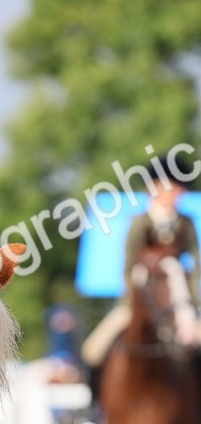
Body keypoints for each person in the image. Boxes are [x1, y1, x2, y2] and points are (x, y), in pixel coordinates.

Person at [81, 153, 201, 372]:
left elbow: (195, 265)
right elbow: (129, 264)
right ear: (156, 187)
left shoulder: (186, 223)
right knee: (93, 350)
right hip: (139, 298)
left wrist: (192, 304)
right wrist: (133, 300)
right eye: (175, 188)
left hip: (177, 300)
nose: (180, 193)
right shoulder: (139, 222)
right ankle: (94, 401)